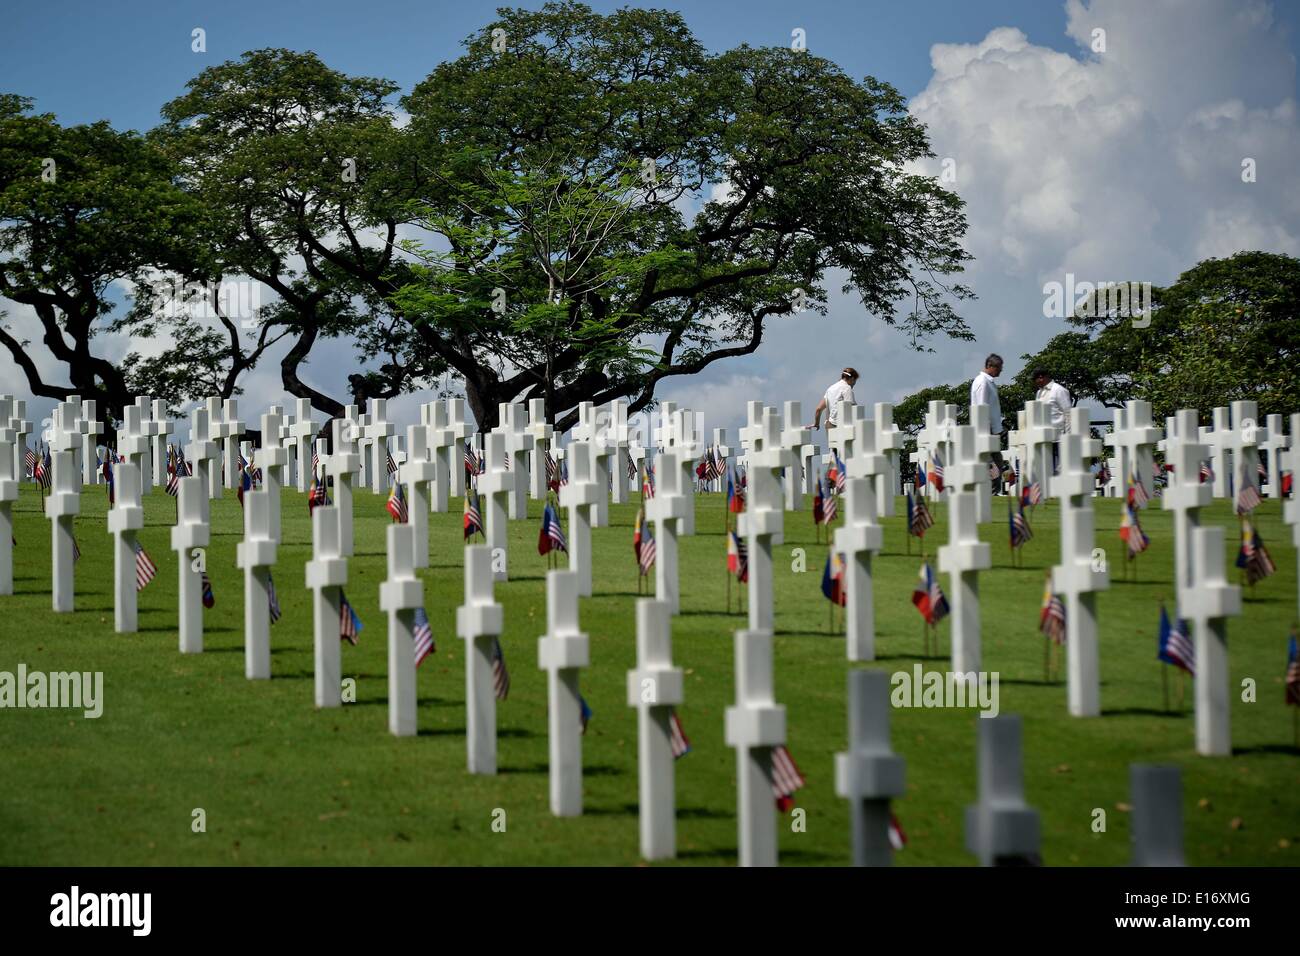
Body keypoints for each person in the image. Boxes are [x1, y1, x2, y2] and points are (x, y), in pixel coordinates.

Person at [970, 353, 1007, 491]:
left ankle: (995, 489)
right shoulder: (982, 382)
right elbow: (982, 407)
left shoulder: (988, 382)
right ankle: (993, 490)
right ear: (990, 366)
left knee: (997, 461)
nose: (1001, 370)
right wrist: (987, 431)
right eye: (998, 367)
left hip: (992, 429)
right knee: (992, 462)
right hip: (985, 429)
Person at [1032, 367, 1071, 473]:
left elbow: (1068, 414)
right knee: (1047, 471)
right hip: (1044, 438)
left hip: (1058, 438)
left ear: (1041, 378)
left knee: (1060, 470)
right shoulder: (1039, 393)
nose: (1035, 383)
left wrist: (1067, 436)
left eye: (1035, 380)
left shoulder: (1058, 390)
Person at [810, 367, 859, 432]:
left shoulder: (830, 389)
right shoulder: (847, 388)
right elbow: (852, 408)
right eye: (855, 381)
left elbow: (818, 409)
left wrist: (816, 423)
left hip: (829, 426)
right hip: (842, 426)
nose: (854, 384)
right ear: (852, 379)